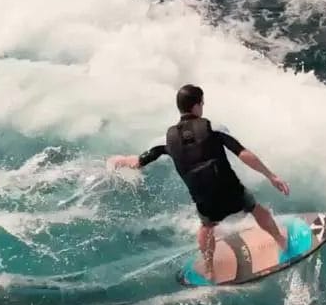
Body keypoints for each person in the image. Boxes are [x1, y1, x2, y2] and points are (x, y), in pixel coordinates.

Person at [107, 84, 291, 281]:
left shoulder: (165, 140)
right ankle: (281, 241)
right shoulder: (213, 127)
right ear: (196, 106)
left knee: (207, 226)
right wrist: (271, 175)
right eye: (202, 103)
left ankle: (210, 268)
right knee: (256, 209)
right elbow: (243, 153)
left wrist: (120, 160)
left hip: (204, 197)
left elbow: (138, 162)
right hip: (230, 189)